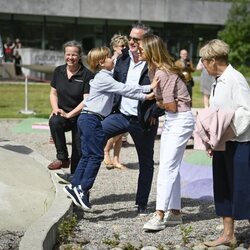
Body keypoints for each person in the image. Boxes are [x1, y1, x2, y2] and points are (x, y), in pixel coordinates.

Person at [63, 46, 158, 210]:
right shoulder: (103, 78)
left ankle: (74, 185)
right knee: (95, 156)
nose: (112, 60)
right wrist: (147, 93)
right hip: (92, 118)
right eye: (109, 58)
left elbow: (123, 86)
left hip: (87, 118)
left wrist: (147, 89)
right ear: (101, 62)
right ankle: (82, 188)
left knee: (87, 155)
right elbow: (124, 89)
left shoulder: (105, 76)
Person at [101, 22, 164, 215]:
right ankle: (81, 187)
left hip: (143, 119)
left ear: (146, 41)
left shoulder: (155, 62)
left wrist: (155, 112)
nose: (131, 42)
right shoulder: (122, 59)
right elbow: (114, 84)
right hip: (120, 115)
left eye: (136, 39)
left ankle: (142, 203)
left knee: (146, 162)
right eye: (130, 38)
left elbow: (167, 91)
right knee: (92, 135)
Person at [138, 34, 195, 231]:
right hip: (172, 120)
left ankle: (159, 214)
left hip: (180, 119)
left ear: (152, 50)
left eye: (142, 48)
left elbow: (170, 106)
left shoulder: (164, 72)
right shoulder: (153, 70)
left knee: (166, 169)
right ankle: (176, 213)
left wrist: (156, 100)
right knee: (171, 166)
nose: (139, 50)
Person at [198, 39, 250, 247]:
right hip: (222, 143)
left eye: (203, 61)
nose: (202, 65)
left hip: (239, 143)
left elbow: (246, 111)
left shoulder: (235, 79)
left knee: (243, 188)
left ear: (212, 60)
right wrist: (212, 139)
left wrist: (225, 134)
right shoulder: (218, 81)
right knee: (222, 187)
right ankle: (228, 235)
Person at [48, 40, 94, 180]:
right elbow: (53, 93)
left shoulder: (87, 75)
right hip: (63, 114)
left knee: (78, 149)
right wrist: (56, 109)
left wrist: (70, 114)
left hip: (80, 116)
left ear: (80, 56)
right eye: (68, 54)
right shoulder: (58, 71)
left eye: (74, 55)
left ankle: (75, 178)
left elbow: (86, 100)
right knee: (54, 121)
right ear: (64, 55)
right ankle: (62, 158)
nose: (71, 58)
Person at [103, 34, 129, 169]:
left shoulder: (126, 59)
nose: (124, 48)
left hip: (123, 96)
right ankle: (106, 150)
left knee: (122, 131)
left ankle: (116, 158)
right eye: (121, 46)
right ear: (114, 47)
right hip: (113, 98)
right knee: (117, 130)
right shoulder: (111, 61)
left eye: (126, 46)